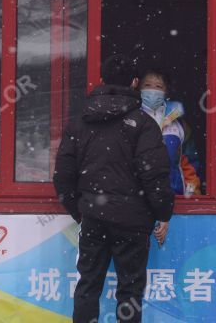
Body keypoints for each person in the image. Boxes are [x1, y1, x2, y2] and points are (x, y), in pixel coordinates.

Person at [53, 55, 175, 323]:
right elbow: (154, 175)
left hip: (93, 216)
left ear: (102, 81)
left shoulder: (79, 122)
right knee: (130, 291)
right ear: (134, 83)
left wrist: (80, 211)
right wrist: (163, 212)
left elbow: (63, 175)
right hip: (133, 220)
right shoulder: (144, 124)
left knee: (88, 285)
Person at [139, 68, 202, 196]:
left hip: (175, 197)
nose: (153, 90)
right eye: (147, 85)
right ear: (139, 87)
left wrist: (191, 194)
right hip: (140, 201)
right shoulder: (131, 120)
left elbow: (190, 163)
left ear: (166, 91)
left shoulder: (179, 124)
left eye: (158, 86)